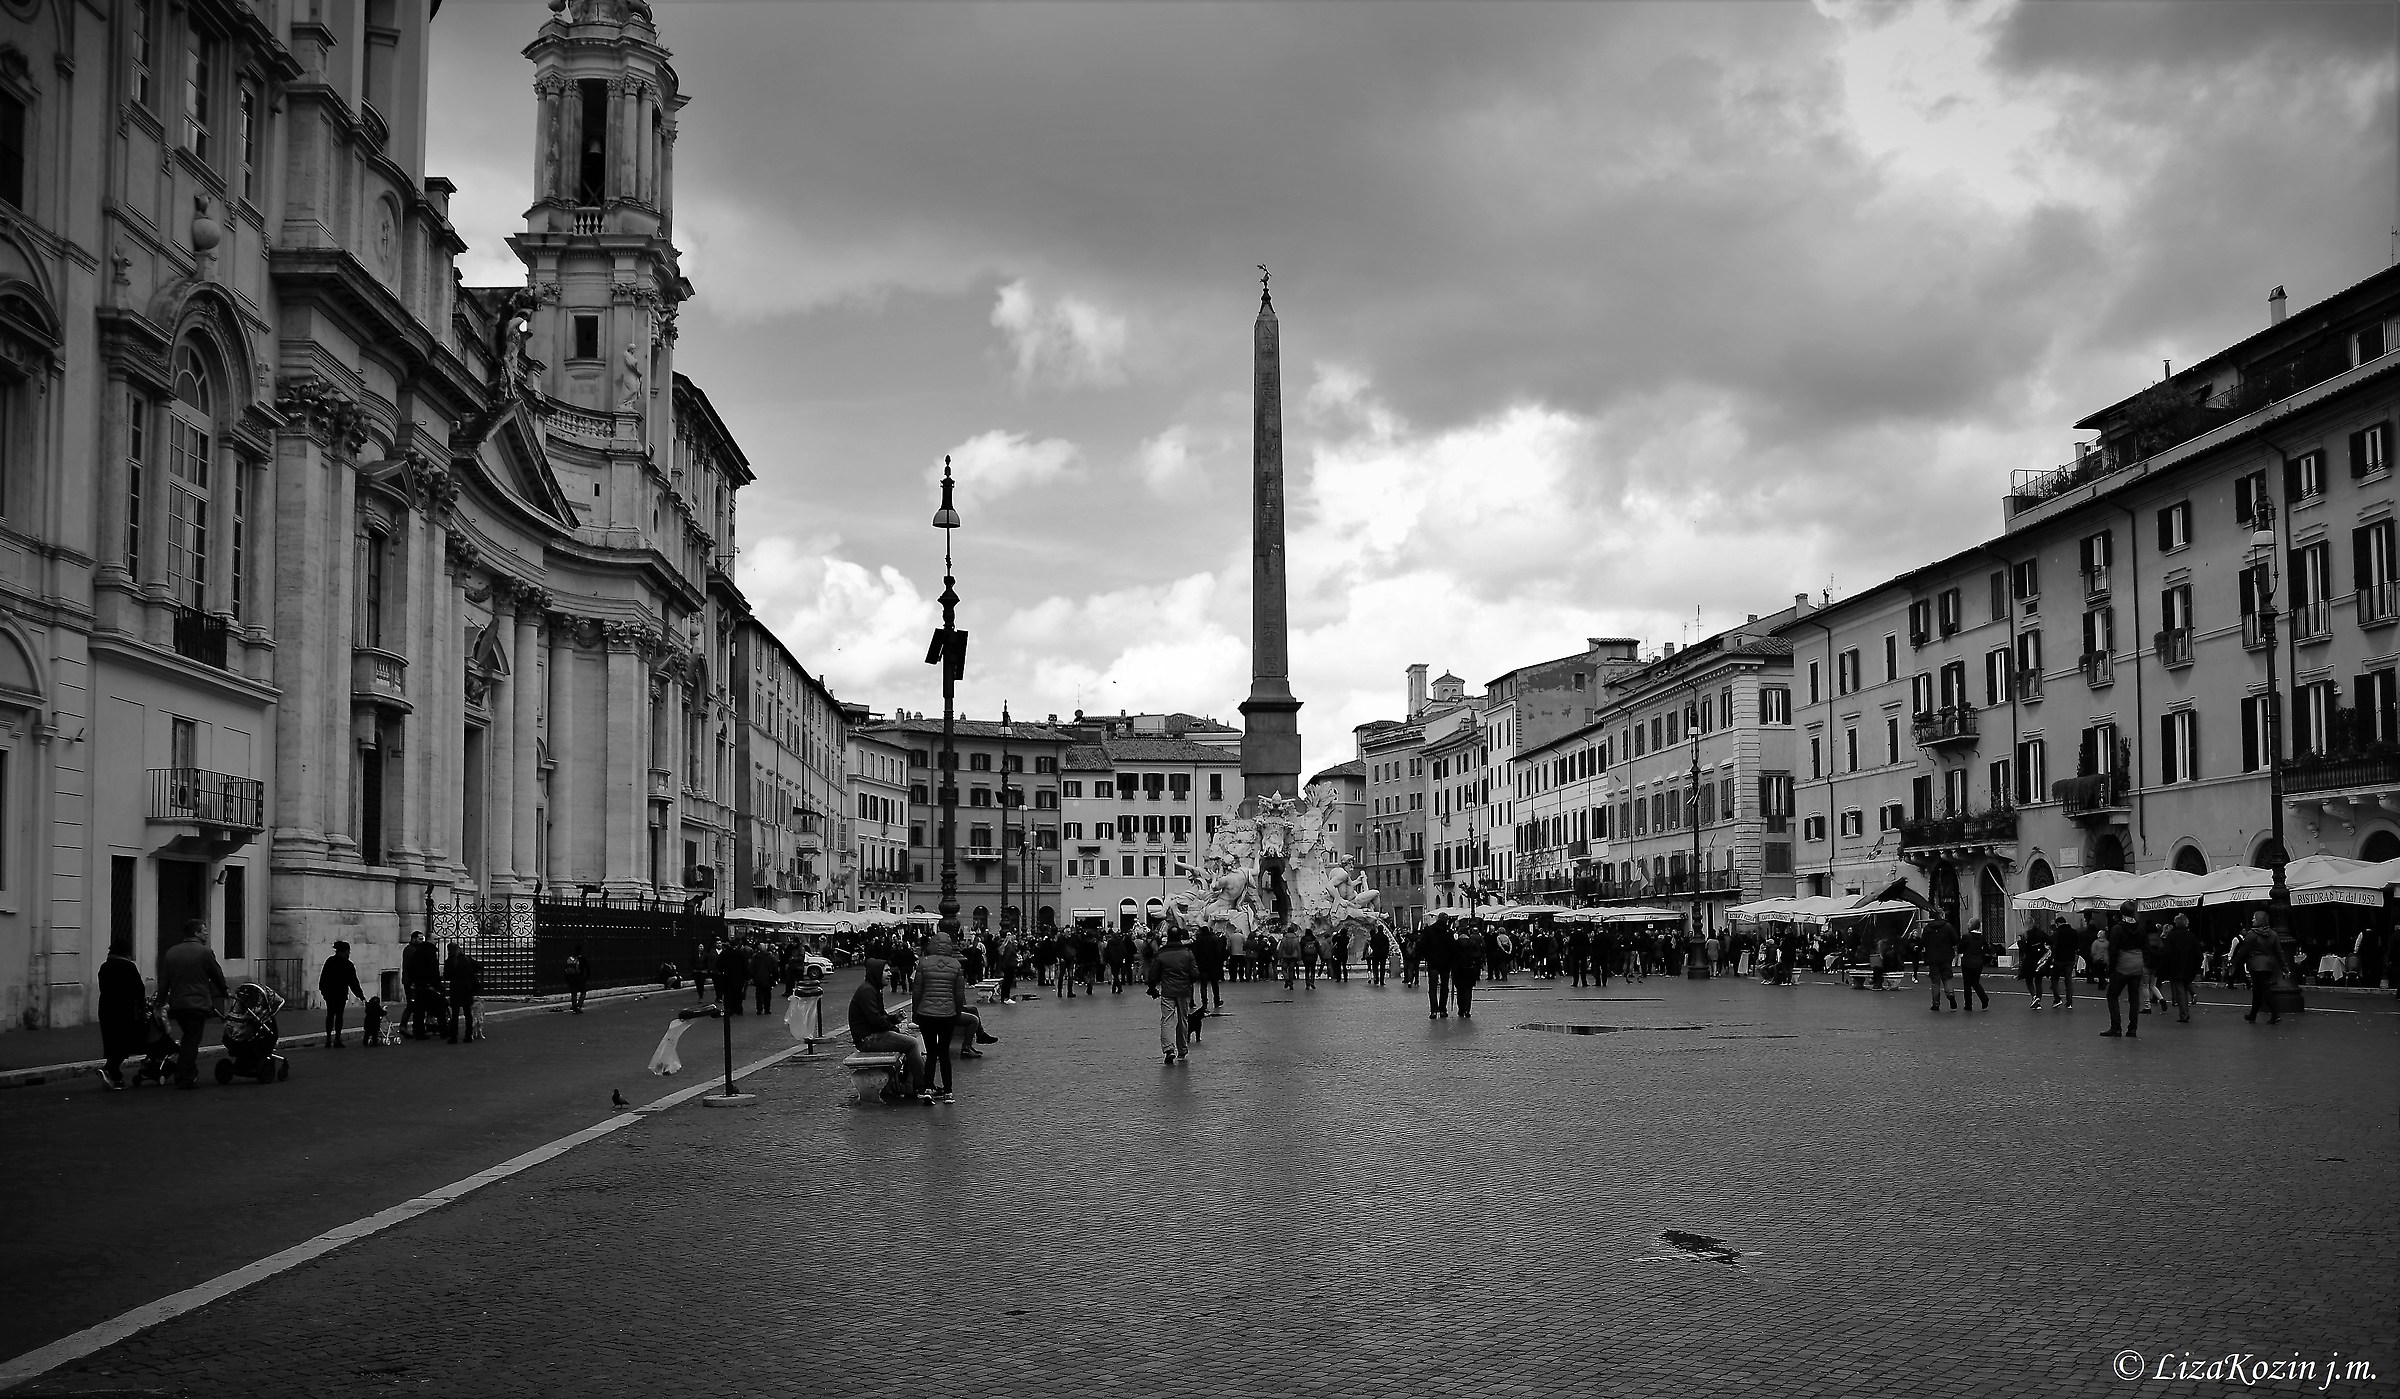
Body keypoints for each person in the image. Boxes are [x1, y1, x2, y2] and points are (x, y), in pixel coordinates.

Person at [157, 920, 227, 1089]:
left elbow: (164, 981)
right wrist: (224, 991)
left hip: (178, 1003)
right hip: (198, 1003)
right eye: (203, 930)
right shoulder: (205, 952)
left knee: (188, 1036)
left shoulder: (171, 953)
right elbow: (217, 974)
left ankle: (188, 1069)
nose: (206, 933)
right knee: (192, 1039)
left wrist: (160, 1001)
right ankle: (183, 1074)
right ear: (196, 933)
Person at [848, 957, 927, 1100]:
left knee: (912, 1041)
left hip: (872, 1036)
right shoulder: (867, 991)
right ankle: (923, 1087)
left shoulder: (873, 989)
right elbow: (876, 1021)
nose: (890, 974)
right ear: (876, 972)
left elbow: (880, 1016)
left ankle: (910, 1084)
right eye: (886, 971)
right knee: (912, 1043)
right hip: (868, 1039)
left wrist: (894, 1019)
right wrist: (895, 1029)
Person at [912, 934, 968, 1102]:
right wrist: (957, 1012)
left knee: (930, 1052)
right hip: (948, 1014)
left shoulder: (923, 963)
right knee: (944, 1052)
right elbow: (959, 994)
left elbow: (917, 991)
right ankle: (948, 1091)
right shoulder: (956, 965)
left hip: (926, 1013)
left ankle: (928, 1088)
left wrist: (915, 1012)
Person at [98, 941, 149, 1090]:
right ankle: (109, 1069)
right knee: (124, 1042)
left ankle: (115, 1076)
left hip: (106, 1009)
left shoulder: (104, 967)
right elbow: (139, 990)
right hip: (124, 1010)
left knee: (111, 1040)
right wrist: (142, 1009)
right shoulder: (129, 967)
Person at [1147, 925, 1200, 1064]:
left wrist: (1152, 988)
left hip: (1168, 991)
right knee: (1183, 1020)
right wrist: (1188, 981)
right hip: (1183, 991)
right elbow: (1195, 973)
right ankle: (1182, 1049)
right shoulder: (1187, 953)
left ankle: (1169, 1049)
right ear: (1180, 938)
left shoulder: (1161, 954)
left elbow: (1153, 974)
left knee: (1167, 1020)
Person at [2101, 903, 2145, 1038]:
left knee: (2112, 995)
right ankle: (2132, 1029)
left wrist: (2111, 968)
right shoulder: (2140, 928)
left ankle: (2116, 1027)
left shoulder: (2117, 929)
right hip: (2137, 964)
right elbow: (2145, 946)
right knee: (2134, 997)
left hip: (2123, 964)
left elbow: (2113, 950)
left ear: (2122, 912)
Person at [2238, 912, 2288, 1025]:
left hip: (2255, 965)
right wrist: (2285, 967)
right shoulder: (2273, 934)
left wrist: (2235, 963)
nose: (2252, 921)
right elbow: (2279, 952)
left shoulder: (2252, 934)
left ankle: (2274, 1014)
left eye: (2254, 918)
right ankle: (2253, 1015)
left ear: (2259, 920)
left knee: (2263, 990)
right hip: (2269, 965)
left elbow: (2243, 951)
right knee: (2258, 990)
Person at [318, 940, 366, 1047]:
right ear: (344, 951)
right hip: (340, 993)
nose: (349, 953)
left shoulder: (330, 961)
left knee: (330, 1015)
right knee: (339, 1016)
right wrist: (360, 995)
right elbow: (353, 982)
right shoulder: (348, 964)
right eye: (348, 951)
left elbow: (323, 978)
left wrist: (323, 991)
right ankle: (337, 1039)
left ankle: (329, 1039)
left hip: (330, 993)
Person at [401, 930, 441, 1040]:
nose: (421, 941)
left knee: (417, 1005)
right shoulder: (411, 950)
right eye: (419, 939)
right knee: (412, 1005)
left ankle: (421, 1026)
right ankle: (404, 1026)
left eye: (422, 939)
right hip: (411, 982)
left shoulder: (417, 950)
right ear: (413, 939)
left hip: (413, 981)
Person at [2162, 914, 2201, 1023]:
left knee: (2179, 991)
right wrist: (2197, 966)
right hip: (2189, 967)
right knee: (2185, 986)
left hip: (2176, 966)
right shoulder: (2191, 936)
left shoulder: (2171, 936)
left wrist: (2166, 967)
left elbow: (2166, 953)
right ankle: (2189, 1003)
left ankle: (2184, 1013)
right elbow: (2198, 953)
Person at [1420, 918, 1453, 1019]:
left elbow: (1422, 945)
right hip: (1445, 963)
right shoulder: (1448, 932)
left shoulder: (1429, 930)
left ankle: (1433, 1010)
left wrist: (1427, 956)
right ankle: (1443, 1010)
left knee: (1432, 988)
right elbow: (1452, 947)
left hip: (1433, 963)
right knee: (1444, 987)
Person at [1923, 914, 1958, 1011]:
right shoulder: (1948, 927)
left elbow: (1924, 942)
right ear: (1941, 916)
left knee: (1935, 981)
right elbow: (1955, 939)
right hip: (1946, 956)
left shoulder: (1927, 928)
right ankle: (1950, 993)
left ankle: (1936, 1003)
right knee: (1947, 977)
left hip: (1932, 958)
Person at [2045, 915, 2080, 1011]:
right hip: (2070, 959)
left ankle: (2057, 999)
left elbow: (2053, 944)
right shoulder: (2074, 932)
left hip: (2059, 959)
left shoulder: (2057, 933)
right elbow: (2077, 946)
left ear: (2058, 924)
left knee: (2054, 980)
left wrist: (2052, 957)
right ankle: (2069, 1002)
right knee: (2068, 981)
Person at [1450, 919, 1483, 1019]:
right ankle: (1467, 1010)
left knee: (1459, 990)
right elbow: (1479, 954)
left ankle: (1461, 1009)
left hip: (1458, 970)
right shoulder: (1472, 943)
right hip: (1470, 969)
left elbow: (1452, 957)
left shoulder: (1455, 944)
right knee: (1468, 990)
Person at [1956, 920, 1991, 1011]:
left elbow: (1960, 948)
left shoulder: (1966, 937)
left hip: (1967, 962)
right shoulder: (1981, 937)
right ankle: (1984, 999)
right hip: (1978, 963)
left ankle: (1968, 1004)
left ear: (1972, 925)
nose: (1967, 924)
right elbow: (1987, 949)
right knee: (1975, 982)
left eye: (1969, 923)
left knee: (1967, 984)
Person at [715, 937, 749, 1016]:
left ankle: (729, 1009)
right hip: (739, 977)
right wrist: (746, 977)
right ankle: (738, 1009)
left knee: (728, 994)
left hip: (727, 977)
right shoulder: (741, 954)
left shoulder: (725, 953)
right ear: (737, 945)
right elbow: (745, 966)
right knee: (738, 993)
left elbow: (718, 965)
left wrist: (723, 970)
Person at [2018, 924, 2048, 1008]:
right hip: (2040, 961)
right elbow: (2049, 942)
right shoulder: (2042, 934)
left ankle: (2034, 996)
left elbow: (2023, 949)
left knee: (2029, 980)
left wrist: (2020, 942)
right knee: (2038, 981)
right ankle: (2038, 999)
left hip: (2029, 961)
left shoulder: (2027, 935)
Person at [750, 941, 780, 1016]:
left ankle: (759, 1009)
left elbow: (751, 968)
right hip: (768, 979)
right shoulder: (771, 957)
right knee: (767, 995)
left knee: (759, 995)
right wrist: (776, 977)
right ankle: (767, 1009)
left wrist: (752, 977)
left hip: (758, 979)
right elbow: (775, 968)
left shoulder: (755, 957)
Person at [563, 943, 591, 1013]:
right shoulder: (582, 958)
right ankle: (579, 1005)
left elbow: (566, 969)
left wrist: (566, 978)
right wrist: (587, 977)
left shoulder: (571, 958)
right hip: (580, 978)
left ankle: (574, 1006)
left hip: (571, 978)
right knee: (583, 992)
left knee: (574, 993)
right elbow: (587, 968)